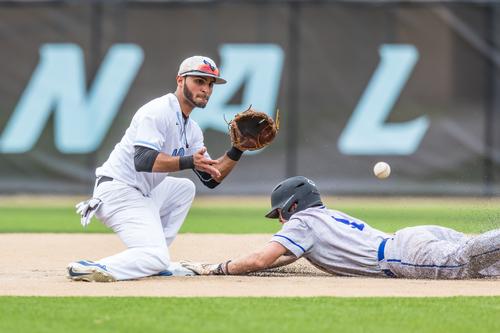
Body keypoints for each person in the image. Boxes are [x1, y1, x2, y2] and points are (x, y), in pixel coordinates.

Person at [67, 55, 248, 282]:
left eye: (211, 84)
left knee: (184, 188)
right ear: (180, 80)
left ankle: (154, 257)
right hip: (118, 190)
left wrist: (237, 150)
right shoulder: (158, 110)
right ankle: (93, 267)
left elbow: (211, 178)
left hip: (142, 191)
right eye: (199, 81)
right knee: (156, 257)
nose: (206, 89)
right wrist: (189, 161)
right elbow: (142, 160)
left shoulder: (191, 129)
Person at [182, 176, 500, 279]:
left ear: (293, 205)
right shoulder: (325, 217)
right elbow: (286, 257)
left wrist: (220, 268)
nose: (280, 221)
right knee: (486, 267)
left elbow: (262, 259)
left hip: (402, 255)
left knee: (462, 262)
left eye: (280, 213)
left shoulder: (303, 222)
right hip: (414, 238)